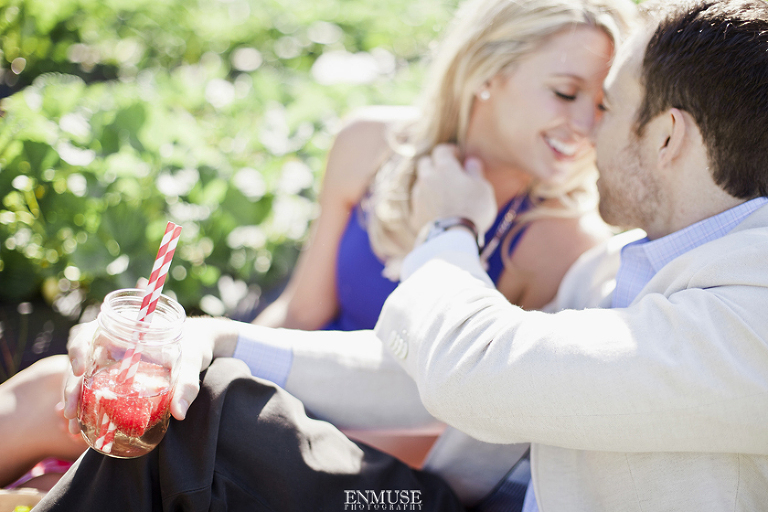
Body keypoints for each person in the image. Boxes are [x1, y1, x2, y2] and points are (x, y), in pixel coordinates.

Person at [32, 0, 768, 510]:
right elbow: (423, 369)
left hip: (423, 486)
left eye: (608, 106)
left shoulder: (741, 311)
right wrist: (216, 336)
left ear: (666, 137)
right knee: (187, 406)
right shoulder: (654, 266)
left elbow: (473, 371)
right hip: (411, 460)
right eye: (576, 95)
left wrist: (448, 227)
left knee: (201, 426)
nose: (589, 131)